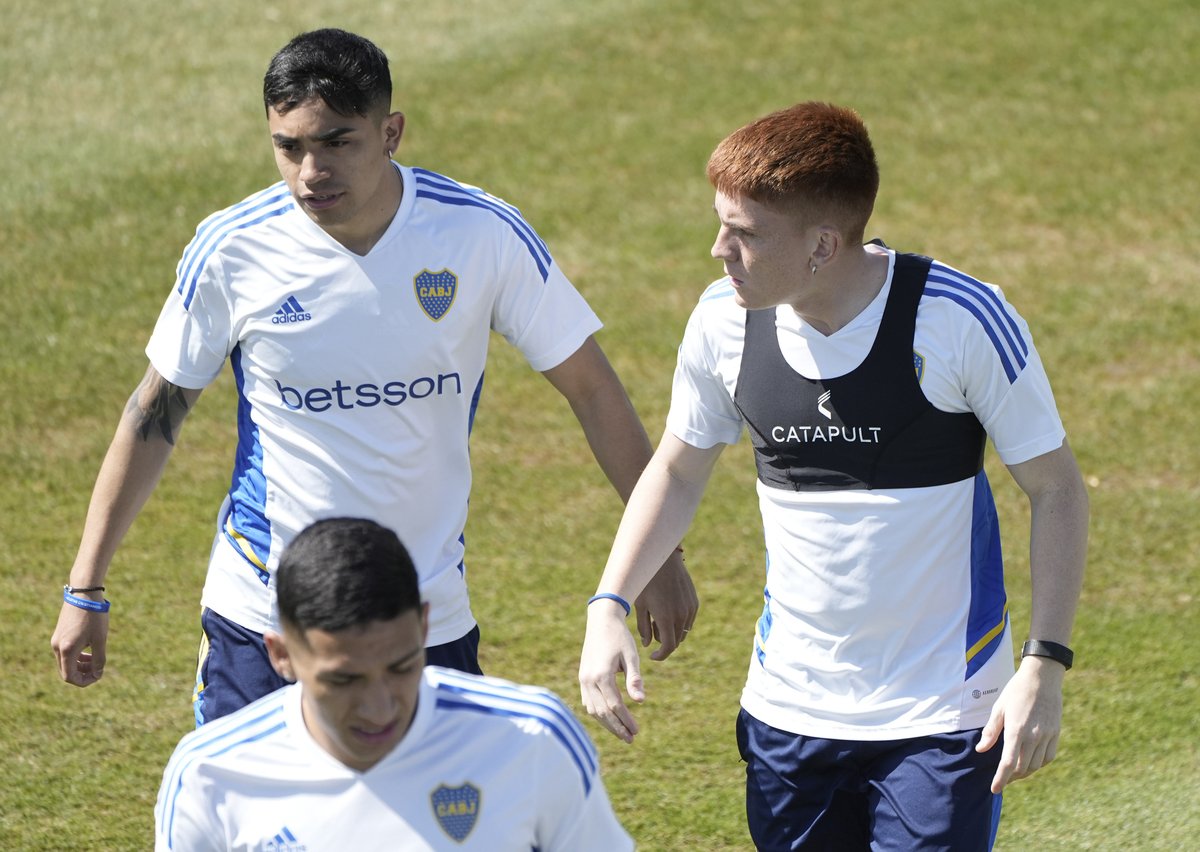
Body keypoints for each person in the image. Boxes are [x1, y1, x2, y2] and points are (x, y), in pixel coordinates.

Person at [52, 27, 696, 725]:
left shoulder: (479, 234)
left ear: (390, 132)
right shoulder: (234, 248)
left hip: (422, 616)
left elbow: (592, 388)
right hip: (264, 613)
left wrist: (659, 554)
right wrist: (85, 587)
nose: (309, 171)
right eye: (288, 146)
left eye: (336, 142)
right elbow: (154, 414)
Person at [578, 101, 1088, 850]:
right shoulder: (724, 322)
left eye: (745, 234)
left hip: (942, 716)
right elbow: (679, 472)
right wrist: (608, 604)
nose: (719, 250)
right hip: (789, 713)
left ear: (821, 245)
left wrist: (1044, 665)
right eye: (723, 224)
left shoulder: (957, 319)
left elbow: (1057, 488)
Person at [155, 517, 633, 851]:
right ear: (282, 656)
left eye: (401, 667)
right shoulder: (209, 776)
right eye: (344, 680)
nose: (379, 707)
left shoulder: (532, 739)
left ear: (425, 629)